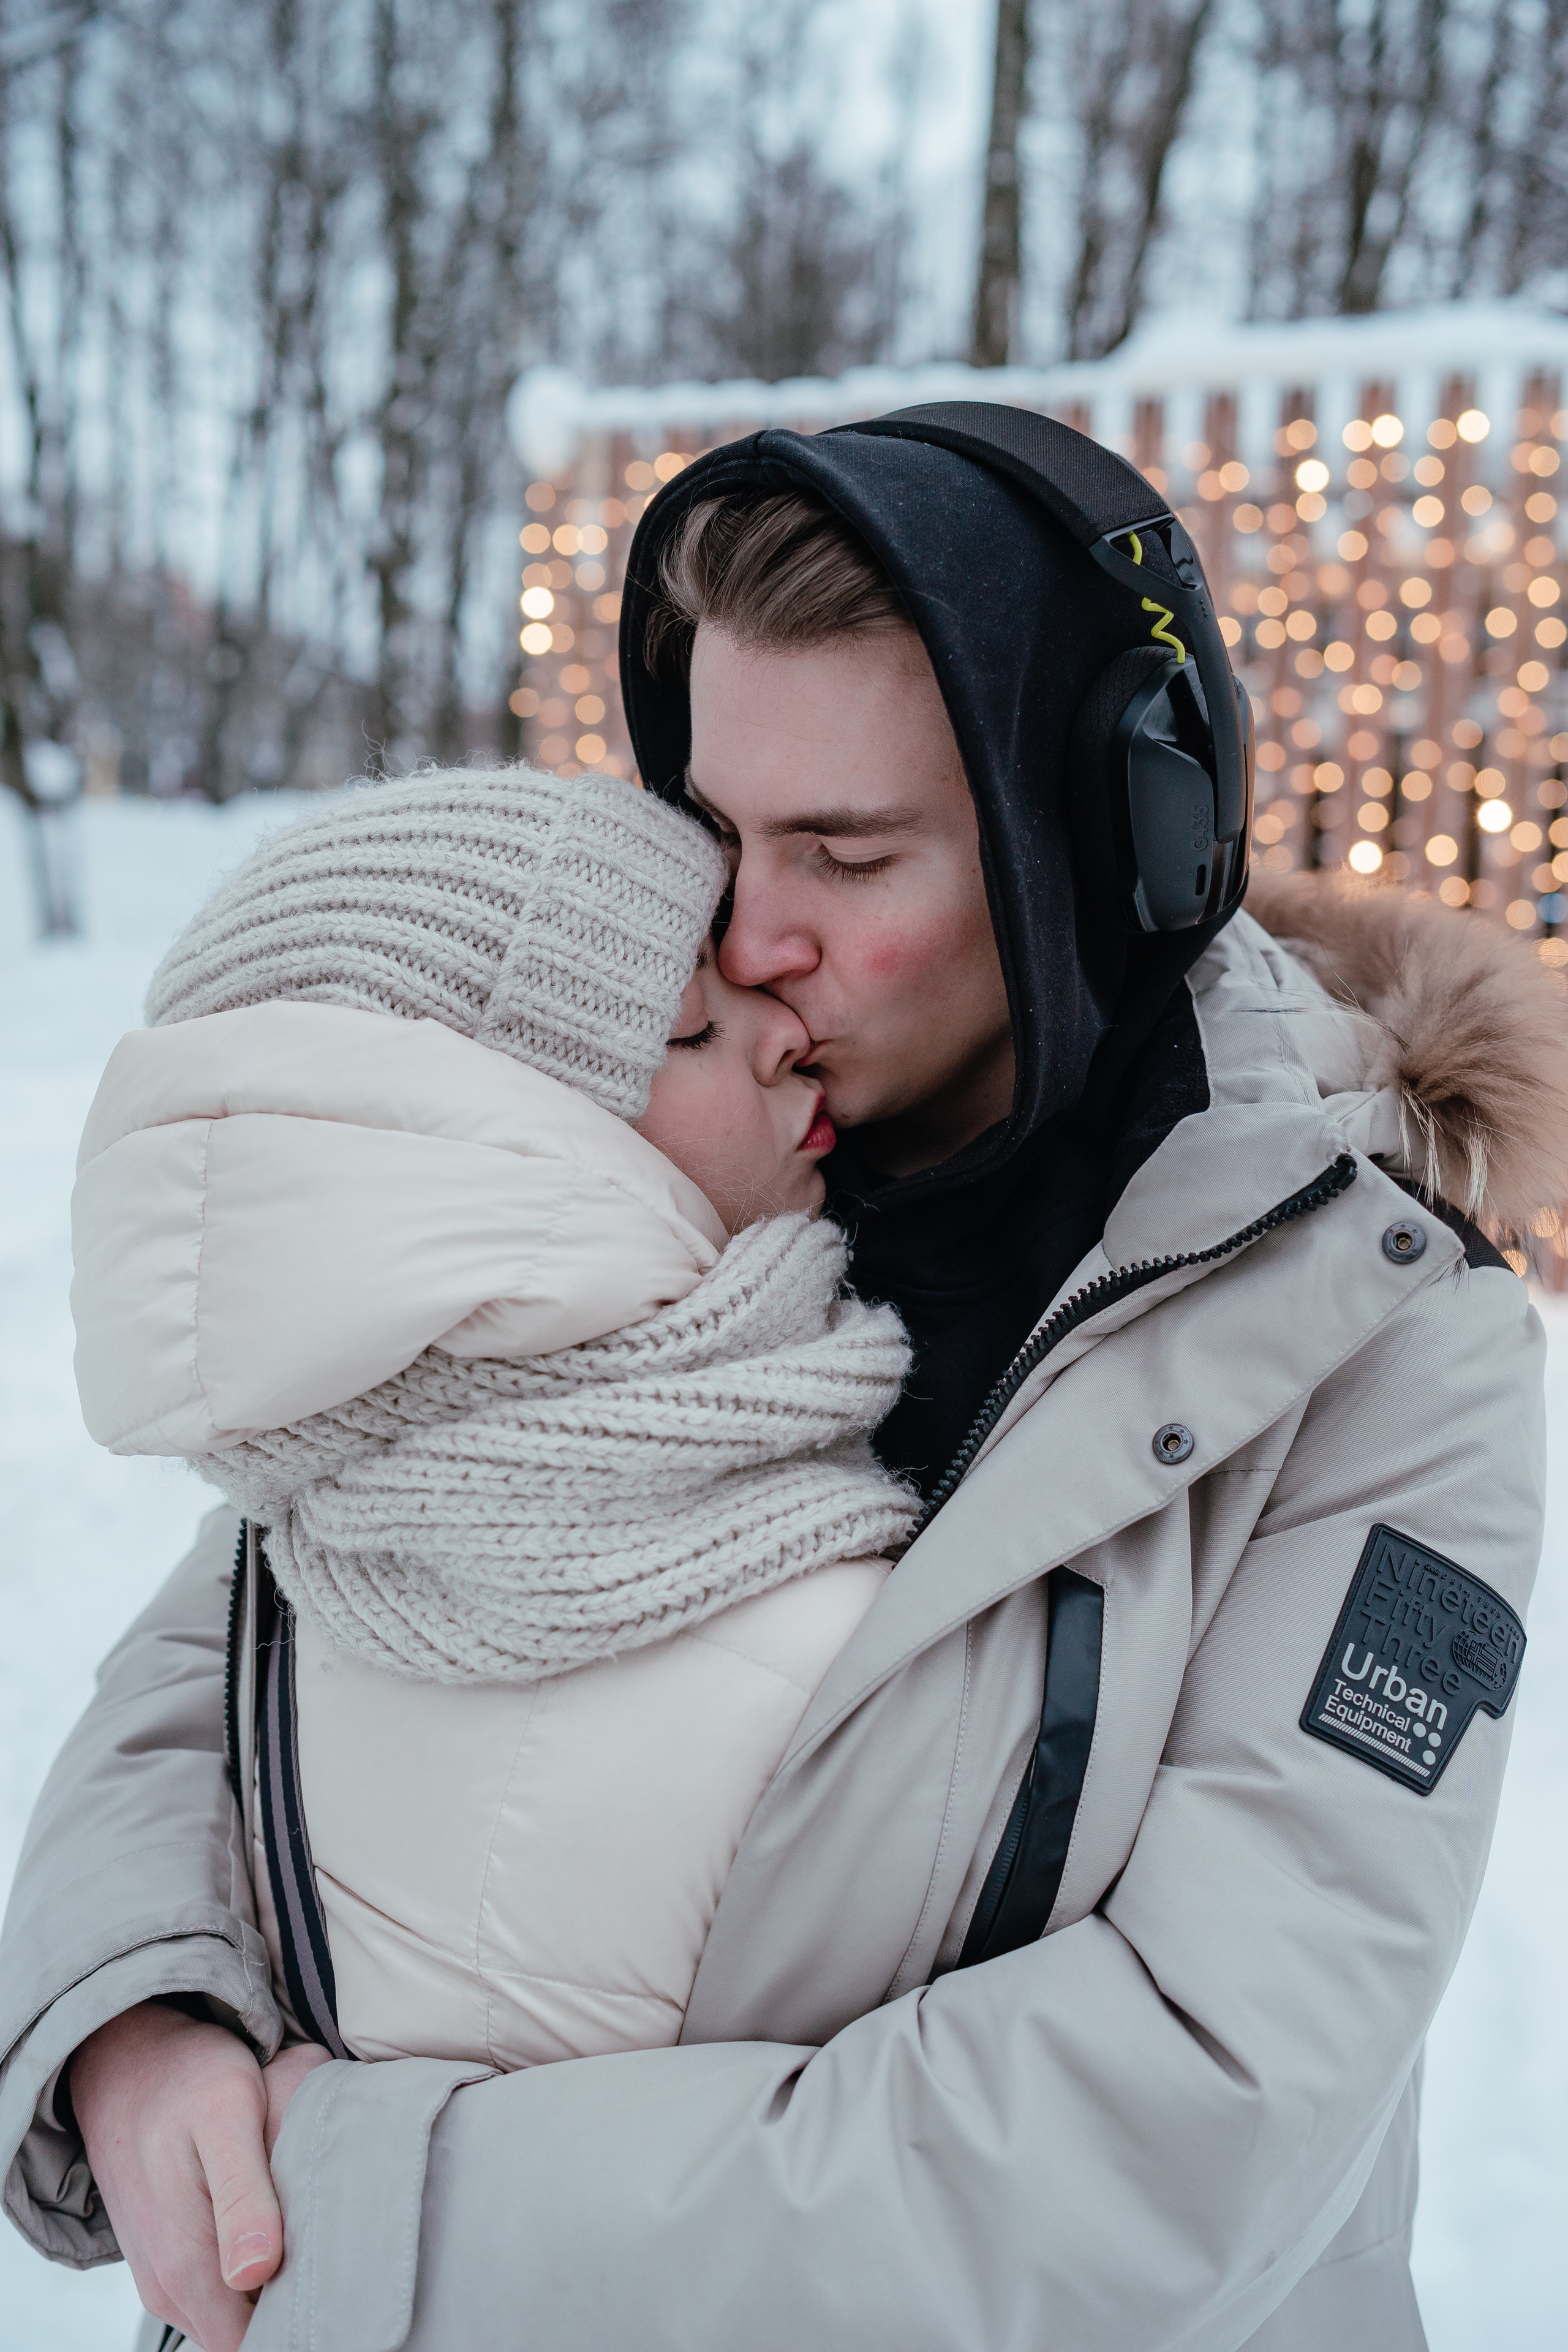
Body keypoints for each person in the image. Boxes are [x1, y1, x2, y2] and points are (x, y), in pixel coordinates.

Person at [3, 408, 1565, 2352]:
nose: (750, 931)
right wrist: (140, 2008)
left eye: (845, 850)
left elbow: (1197, 2117)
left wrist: (368, 2212)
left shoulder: (1387, 1336)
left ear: (1098, 843)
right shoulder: (684, 1141)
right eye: (716, 833)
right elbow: (251, 1604)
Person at [67, 764, 916, 2076]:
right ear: (508, 1146)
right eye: (693, 1023)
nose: (783, 1028)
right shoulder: (819, 1636)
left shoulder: (338, 1517)